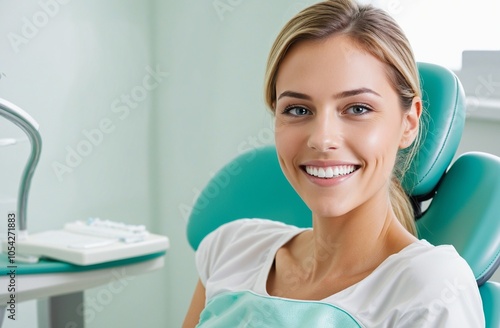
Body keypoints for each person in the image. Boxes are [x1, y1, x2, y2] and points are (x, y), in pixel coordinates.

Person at [183, 0, 485, 327]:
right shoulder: (231, 249)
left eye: (357, 108)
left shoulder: (430, 288)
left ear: (408, 123)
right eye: (298, 110)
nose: (322, 138)